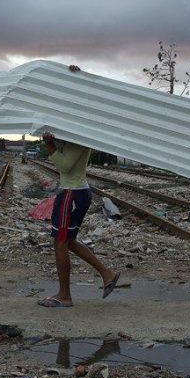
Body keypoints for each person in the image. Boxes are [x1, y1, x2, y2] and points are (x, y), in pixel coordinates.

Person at [37, 131, 120, 308]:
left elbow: (64, 165)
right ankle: (107, 274)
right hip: (71, 192)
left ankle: (65, 295)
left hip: (72, 194)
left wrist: (49, 145)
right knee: (67, 241)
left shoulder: (79, 137)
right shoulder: (72, 135)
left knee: (60, 242)